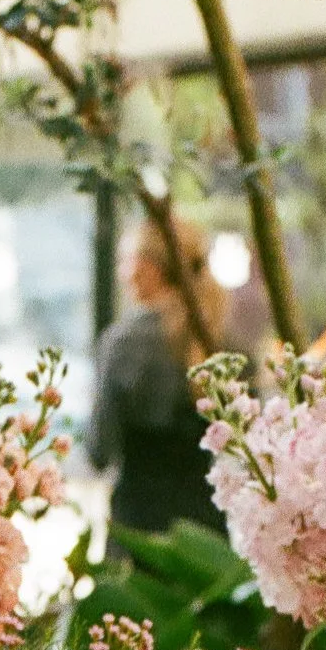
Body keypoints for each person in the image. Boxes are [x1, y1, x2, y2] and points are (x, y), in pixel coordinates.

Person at [88, 214, 229, 536]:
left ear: (149, 268)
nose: (122, 273)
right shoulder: (223, 340)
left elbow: (99, 452)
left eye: (126, 261)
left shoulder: (123, 343)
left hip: (139, 528)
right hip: (205, 534)